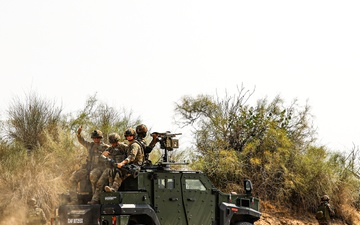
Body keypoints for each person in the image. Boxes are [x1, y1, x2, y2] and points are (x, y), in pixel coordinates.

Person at [68, 126, 109, 204]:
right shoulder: (90, 145)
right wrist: (79, 134)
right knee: (73, 177)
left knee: (93, 176)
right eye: (94, 138)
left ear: (100, 138)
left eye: (98, 138)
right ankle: (74, 200)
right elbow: (82, 141)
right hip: (88, 168)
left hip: (99, 169)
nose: (96, 139)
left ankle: (95, 199)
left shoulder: (105, 147)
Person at [88, 133, 127, 204]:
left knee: (113, 182)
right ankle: (95, 199)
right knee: (99, 182)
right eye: (112, 142)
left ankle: (111, 200)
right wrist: (103, 155)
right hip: (110, 168)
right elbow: (101, 158)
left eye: (115, 142)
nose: (113, 144)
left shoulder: (123, 147)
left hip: (120, 168)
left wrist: (123, 163)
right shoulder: (109, 149)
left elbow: (130, 155)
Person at [104, 128, 144, 192]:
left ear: (134, 136)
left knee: (120, 172)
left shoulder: (134, 145)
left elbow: (132, 157)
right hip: (130, 165)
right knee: (114, 170)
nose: (129, 137)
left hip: (135, 166)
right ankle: (111, 188)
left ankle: (113, 189)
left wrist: (122, 163)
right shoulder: (129, 145)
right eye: (127, 136)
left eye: (130, 136)